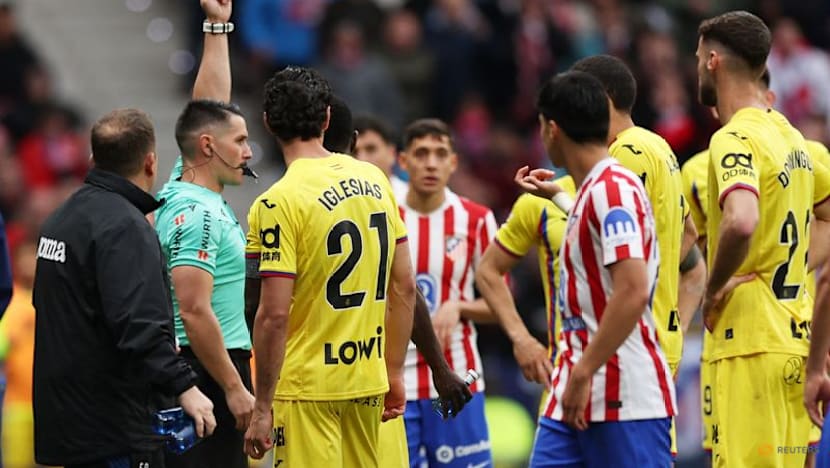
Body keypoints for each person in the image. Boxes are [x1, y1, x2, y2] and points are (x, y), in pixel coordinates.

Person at [243, 67, 416, 467]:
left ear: (267, 123)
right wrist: (393, 372)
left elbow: (274, 314)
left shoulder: (277, 202)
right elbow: (404, 286)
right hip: (367, 379)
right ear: (326, 119)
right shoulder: (376, 179)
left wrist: (263, 406)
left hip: (308, 387)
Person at [32, 108, 216, 468]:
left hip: (69, 423)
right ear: (150, 162)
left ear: (92, 158)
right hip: (113, 428)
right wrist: (185, 387)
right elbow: (139, 326)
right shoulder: (124, 227)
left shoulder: (60, 219)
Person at [696, 11, 830, 467]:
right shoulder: (794, 140)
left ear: (713, 61)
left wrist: (713, 288)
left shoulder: (733, 138)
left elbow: (741, 220)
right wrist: (792, 264)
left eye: (697, 58)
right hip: (795, 344)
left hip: (749, 345)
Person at [526, 70, 676, 468]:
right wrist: (558, 196)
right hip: (573, 387)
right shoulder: (594, 190)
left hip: (622, 393)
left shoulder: (613, 189)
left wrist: (583, 372)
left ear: (552, 130)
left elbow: (632, 290)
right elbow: (597, 230)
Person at [326, 106, 473, 468]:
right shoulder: (358, 208)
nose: (364, 157)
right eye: (360, 150)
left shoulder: (472, 218)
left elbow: (407, 289)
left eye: (372, 149)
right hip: (379, 376)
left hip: (445, 372)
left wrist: (460, 307)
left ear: (393, 155)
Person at [154, 1, 256, 466]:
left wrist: (217, 26)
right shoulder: (197, 214)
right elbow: (194, 311)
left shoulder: (187, 182)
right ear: (209, 147)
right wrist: (233, 388)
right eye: (241, 141)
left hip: (208, 364)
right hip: (209, 370)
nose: (249, 152)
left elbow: (208, 109)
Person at [396, 118, 497, 468]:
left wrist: (460, 306)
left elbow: (500, 305)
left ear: (453, 163)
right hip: (397, 387)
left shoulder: (476, 219)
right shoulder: (386, 217)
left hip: (458, 380)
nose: (431, 163)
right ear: (403, 161)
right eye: (421, 153)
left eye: (440, 154)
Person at [475, 169, 576, 404]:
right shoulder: (537, 202)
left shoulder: (629, 190)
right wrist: (522, 339)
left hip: (625, 374)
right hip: (558, 377)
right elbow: (488, 271)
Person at [352, 114, 408, 199]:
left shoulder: (412, 200)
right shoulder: (337, 202)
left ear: (392, 153)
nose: (361, 159)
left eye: (370, 149)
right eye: (354, 152)